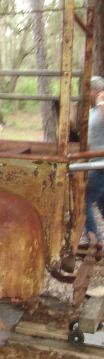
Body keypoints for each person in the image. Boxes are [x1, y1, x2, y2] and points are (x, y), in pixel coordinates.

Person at [83, 75, 104, 248]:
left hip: (100, 165)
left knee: (82, 202)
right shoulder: (92, 111)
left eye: (88, 89)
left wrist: (102, 101)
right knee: (102, 204)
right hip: (96, 163)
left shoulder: (102, 107)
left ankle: (93, 240)